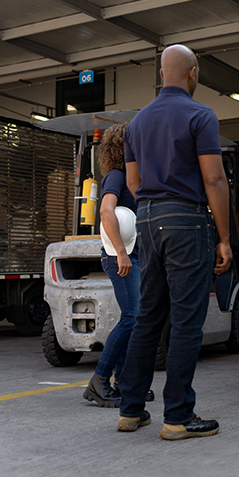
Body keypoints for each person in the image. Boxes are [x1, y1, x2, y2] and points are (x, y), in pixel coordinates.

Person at [116, 44, 233, 441]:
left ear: (160, 74)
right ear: (193, 73)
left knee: (149, 315)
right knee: (186, 321)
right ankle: (178, 416)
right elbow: (214, 180)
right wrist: (224, 237)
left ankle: (130, 410)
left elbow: (133, 184)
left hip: (147, 219)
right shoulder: (201, 115)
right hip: (186, 220)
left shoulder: (136, 124)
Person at [82, 123, 153, 408]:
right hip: (119, 256)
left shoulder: (135, 179)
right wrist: (121, 253)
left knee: (134, 319)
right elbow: (105, 211)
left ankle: (123, 382)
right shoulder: (115, 176)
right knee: (132, 318)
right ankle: (99, 381)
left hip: (134, 254)